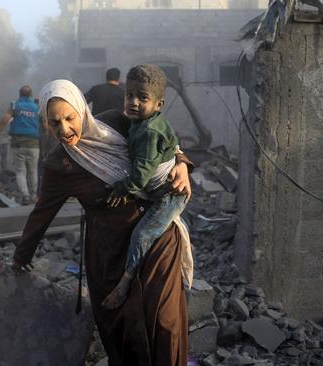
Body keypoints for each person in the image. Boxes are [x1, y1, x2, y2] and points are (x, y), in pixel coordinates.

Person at [13, 79, 193, 365]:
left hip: (157, 239)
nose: (65, 130)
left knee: (163, 321)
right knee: (124, 333)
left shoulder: (115, 123)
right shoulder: (59, 164)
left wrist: (183, 164)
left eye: (70, 118)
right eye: (54, 123)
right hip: (109, 255)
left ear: (82, 110)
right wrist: (20, 258)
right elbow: (42, 214)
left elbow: (162, 138)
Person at [101, 64, 188, 310]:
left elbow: (139, 178)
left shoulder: (149, 131)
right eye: (129, 95)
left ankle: (125, 282)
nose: (134, 102)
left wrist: (120, 188)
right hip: (157, 189)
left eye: (143, 97)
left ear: (159, 105)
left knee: (142, 234)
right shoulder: (140, 122)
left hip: (168, 195)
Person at [0, 85, 40, 205]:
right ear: (31, 95)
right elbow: (46, 125)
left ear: (20, 95)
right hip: (34, 144)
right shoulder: (37, 107)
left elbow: (4, 120)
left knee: (20, 171)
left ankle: (26, 196)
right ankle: (34, 195)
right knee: (33, 171)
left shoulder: (15, 105)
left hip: (18, 144)